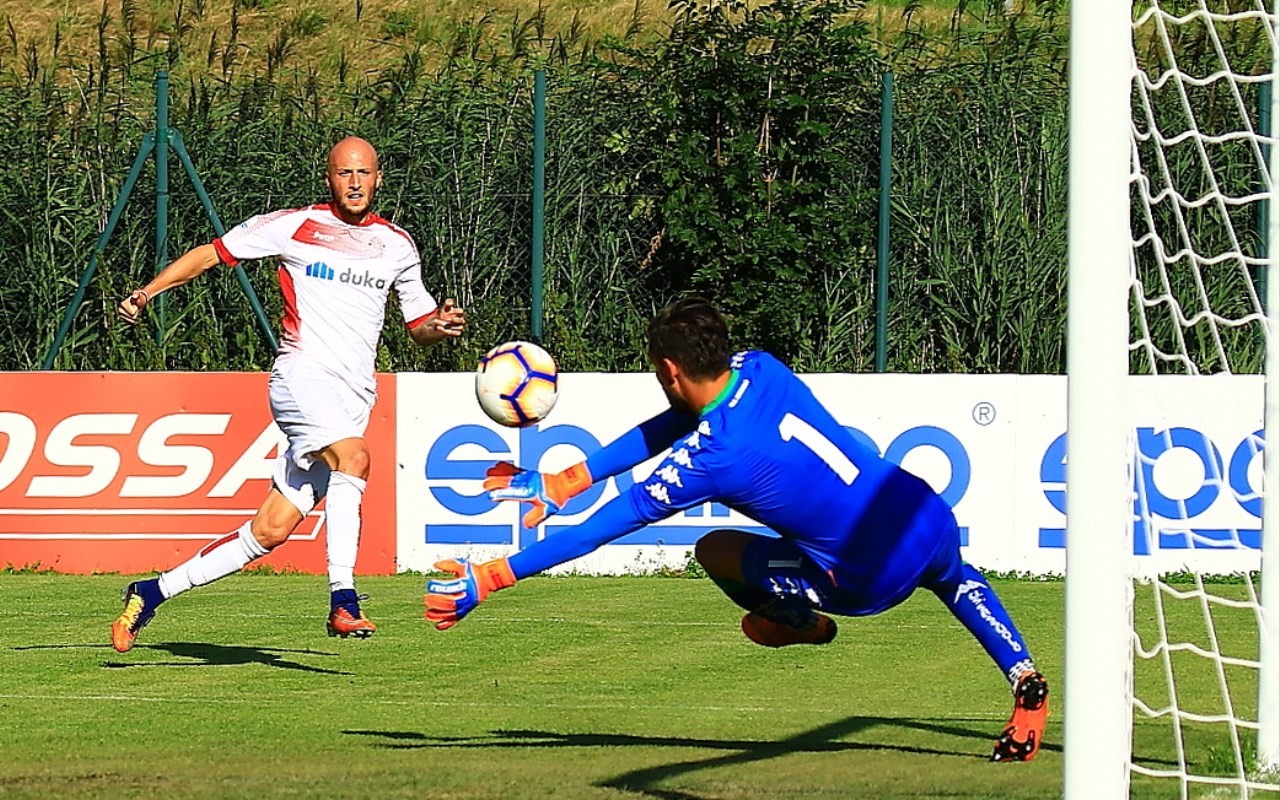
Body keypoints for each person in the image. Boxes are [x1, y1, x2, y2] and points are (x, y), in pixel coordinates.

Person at [425, 297, 1049, 763]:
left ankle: (799, 619)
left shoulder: (713, 459)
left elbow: (600, 532)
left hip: (865, 578)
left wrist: (493, 576)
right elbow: (676, 420)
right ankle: (1024, 680)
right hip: (922, 509)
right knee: (955, 577)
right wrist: (569, 479)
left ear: (669, 370)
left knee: (715, 550)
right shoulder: (762, 367)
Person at [112, 136, 466, 652]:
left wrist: (440, 324)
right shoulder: (294, 225)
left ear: (379, 178)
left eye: (363, 173)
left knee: (271, 530)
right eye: (344, 173)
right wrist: (147, 293)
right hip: (300, 378)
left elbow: (418, 326)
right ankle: (343, 599)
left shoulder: (397, 245)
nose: (354, 182)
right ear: (329, 178)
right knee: (356, 457)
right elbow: (211, 255)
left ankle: (151, 591)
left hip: (352, 398)